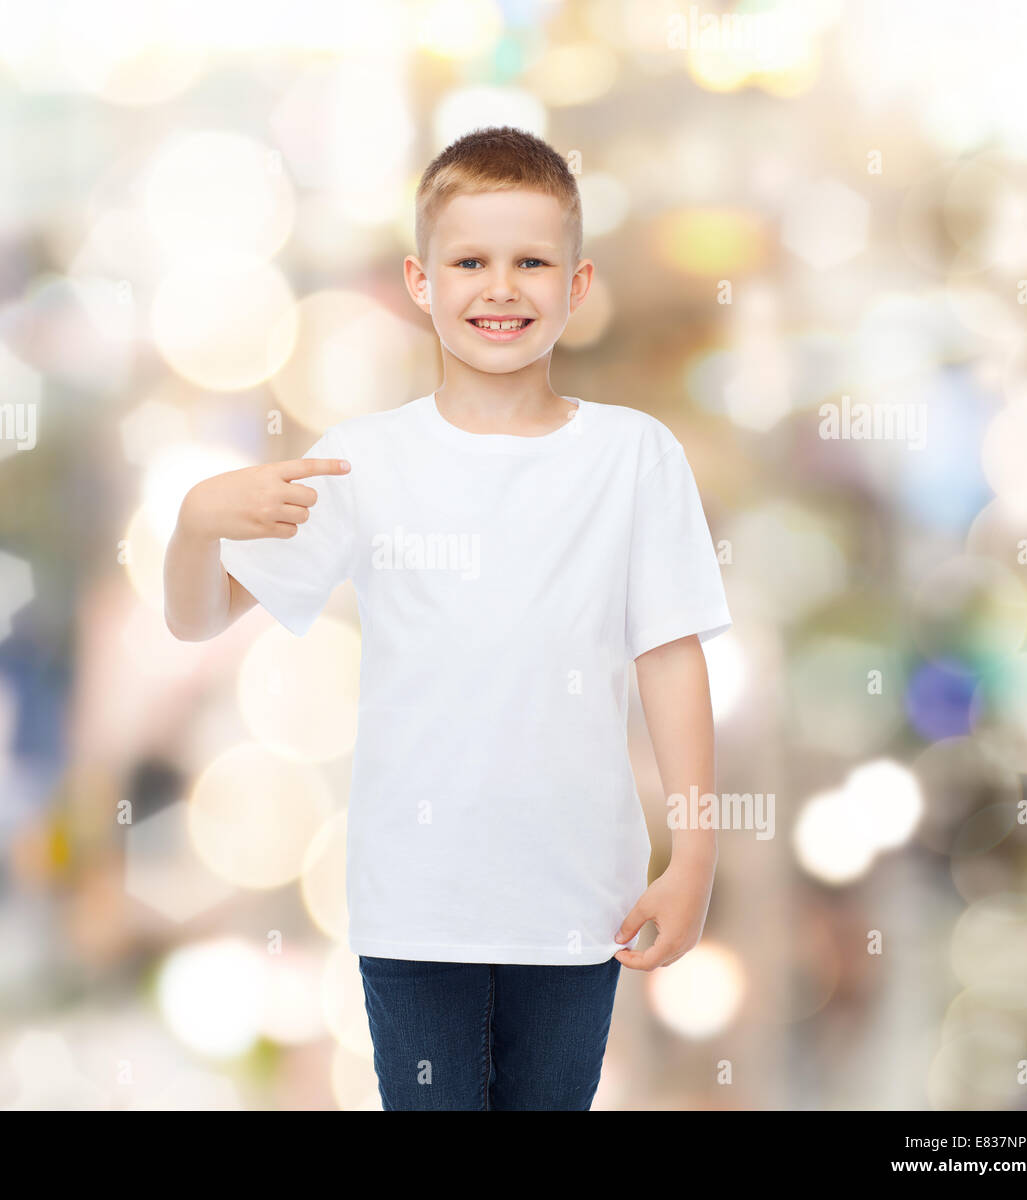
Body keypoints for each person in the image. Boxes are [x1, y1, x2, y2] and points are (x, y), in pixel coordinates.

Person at [164, 126, 732, 1110]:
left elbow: (671, 660)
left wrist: (694, 852)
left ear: (578, 284)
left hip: (577, 907)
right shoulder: (362, 462)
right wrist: (190, 525)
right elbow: (197, 618)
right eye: (469, 261)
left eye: (531, 263)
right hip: (414, 911)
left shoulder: (633, 458)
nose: (499, 287)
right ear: (421, 282)